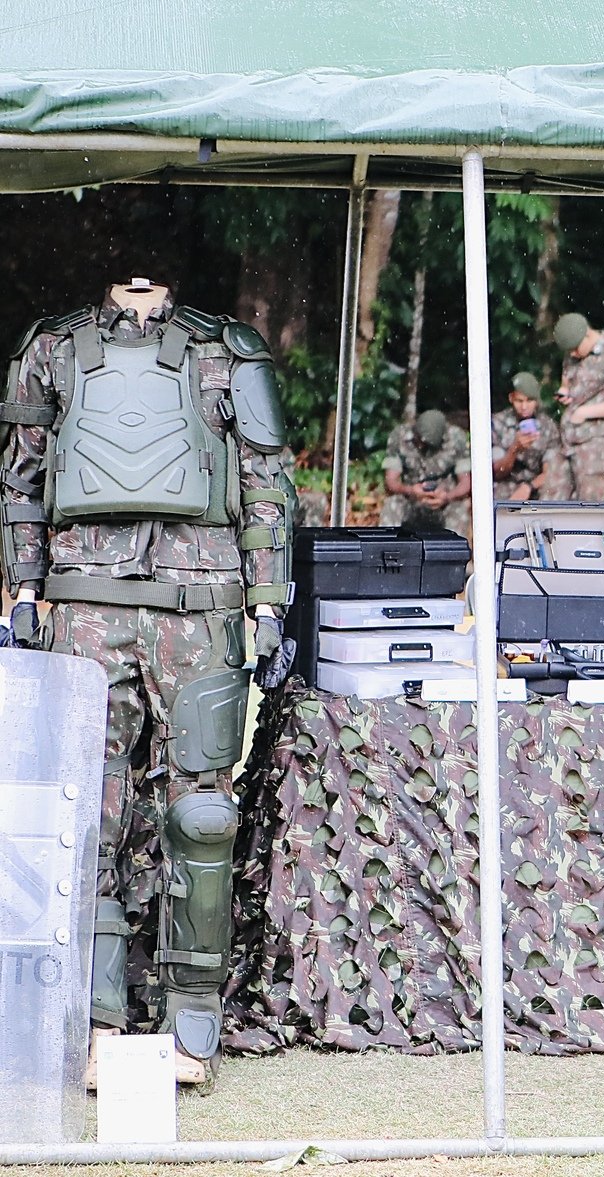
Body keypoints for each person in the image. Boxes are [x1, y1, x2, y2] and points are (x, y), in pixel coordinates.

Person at [0, 280, 295, 1086]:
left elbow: (267, 484)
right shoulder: (52, 349)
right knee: (84, 813)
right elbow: (20, 483)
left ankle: (191, 1021)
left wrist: (269, 606)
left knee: (201, 814)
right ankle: (90, 1019)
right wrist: (23, 591)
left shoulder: (225, 351)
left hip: (201, 609)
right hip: (83, 607)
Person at [540, 312, 604, 501]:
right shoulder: (572, 353)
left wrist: (585, 412)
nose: (573, 354)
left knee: (588, 505)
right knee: (550, 500)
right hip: (566, 439)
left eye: (575, 349)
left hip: (594, 442)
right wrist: (565, 393)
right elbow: (568, 382)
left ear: (587, 335)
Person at [380, 408, 472, 534]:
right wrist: (411, 491)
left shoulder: (456, 438)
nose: (422, 446)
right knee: (392, 505)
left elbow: (466, 482)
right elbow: (390, 481)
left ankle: (454, 551)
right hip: (411, 500)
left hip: (444, 501)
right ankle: (388, 549)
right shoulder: (399, 435)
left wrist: (447, 497)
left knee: (460, 510)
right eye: (420, 441)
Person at [490, 372, 560, 501]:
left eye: (530, 401)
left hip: (535, 486)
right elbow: (495, 473)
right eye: (519, 401)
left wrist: (528, 487)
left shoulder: (547, 426)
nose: (524, 407)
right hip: (505, 484)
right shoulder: (497, 423)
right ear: (511, 398)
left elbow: (550, 471)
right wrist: (514, 449)